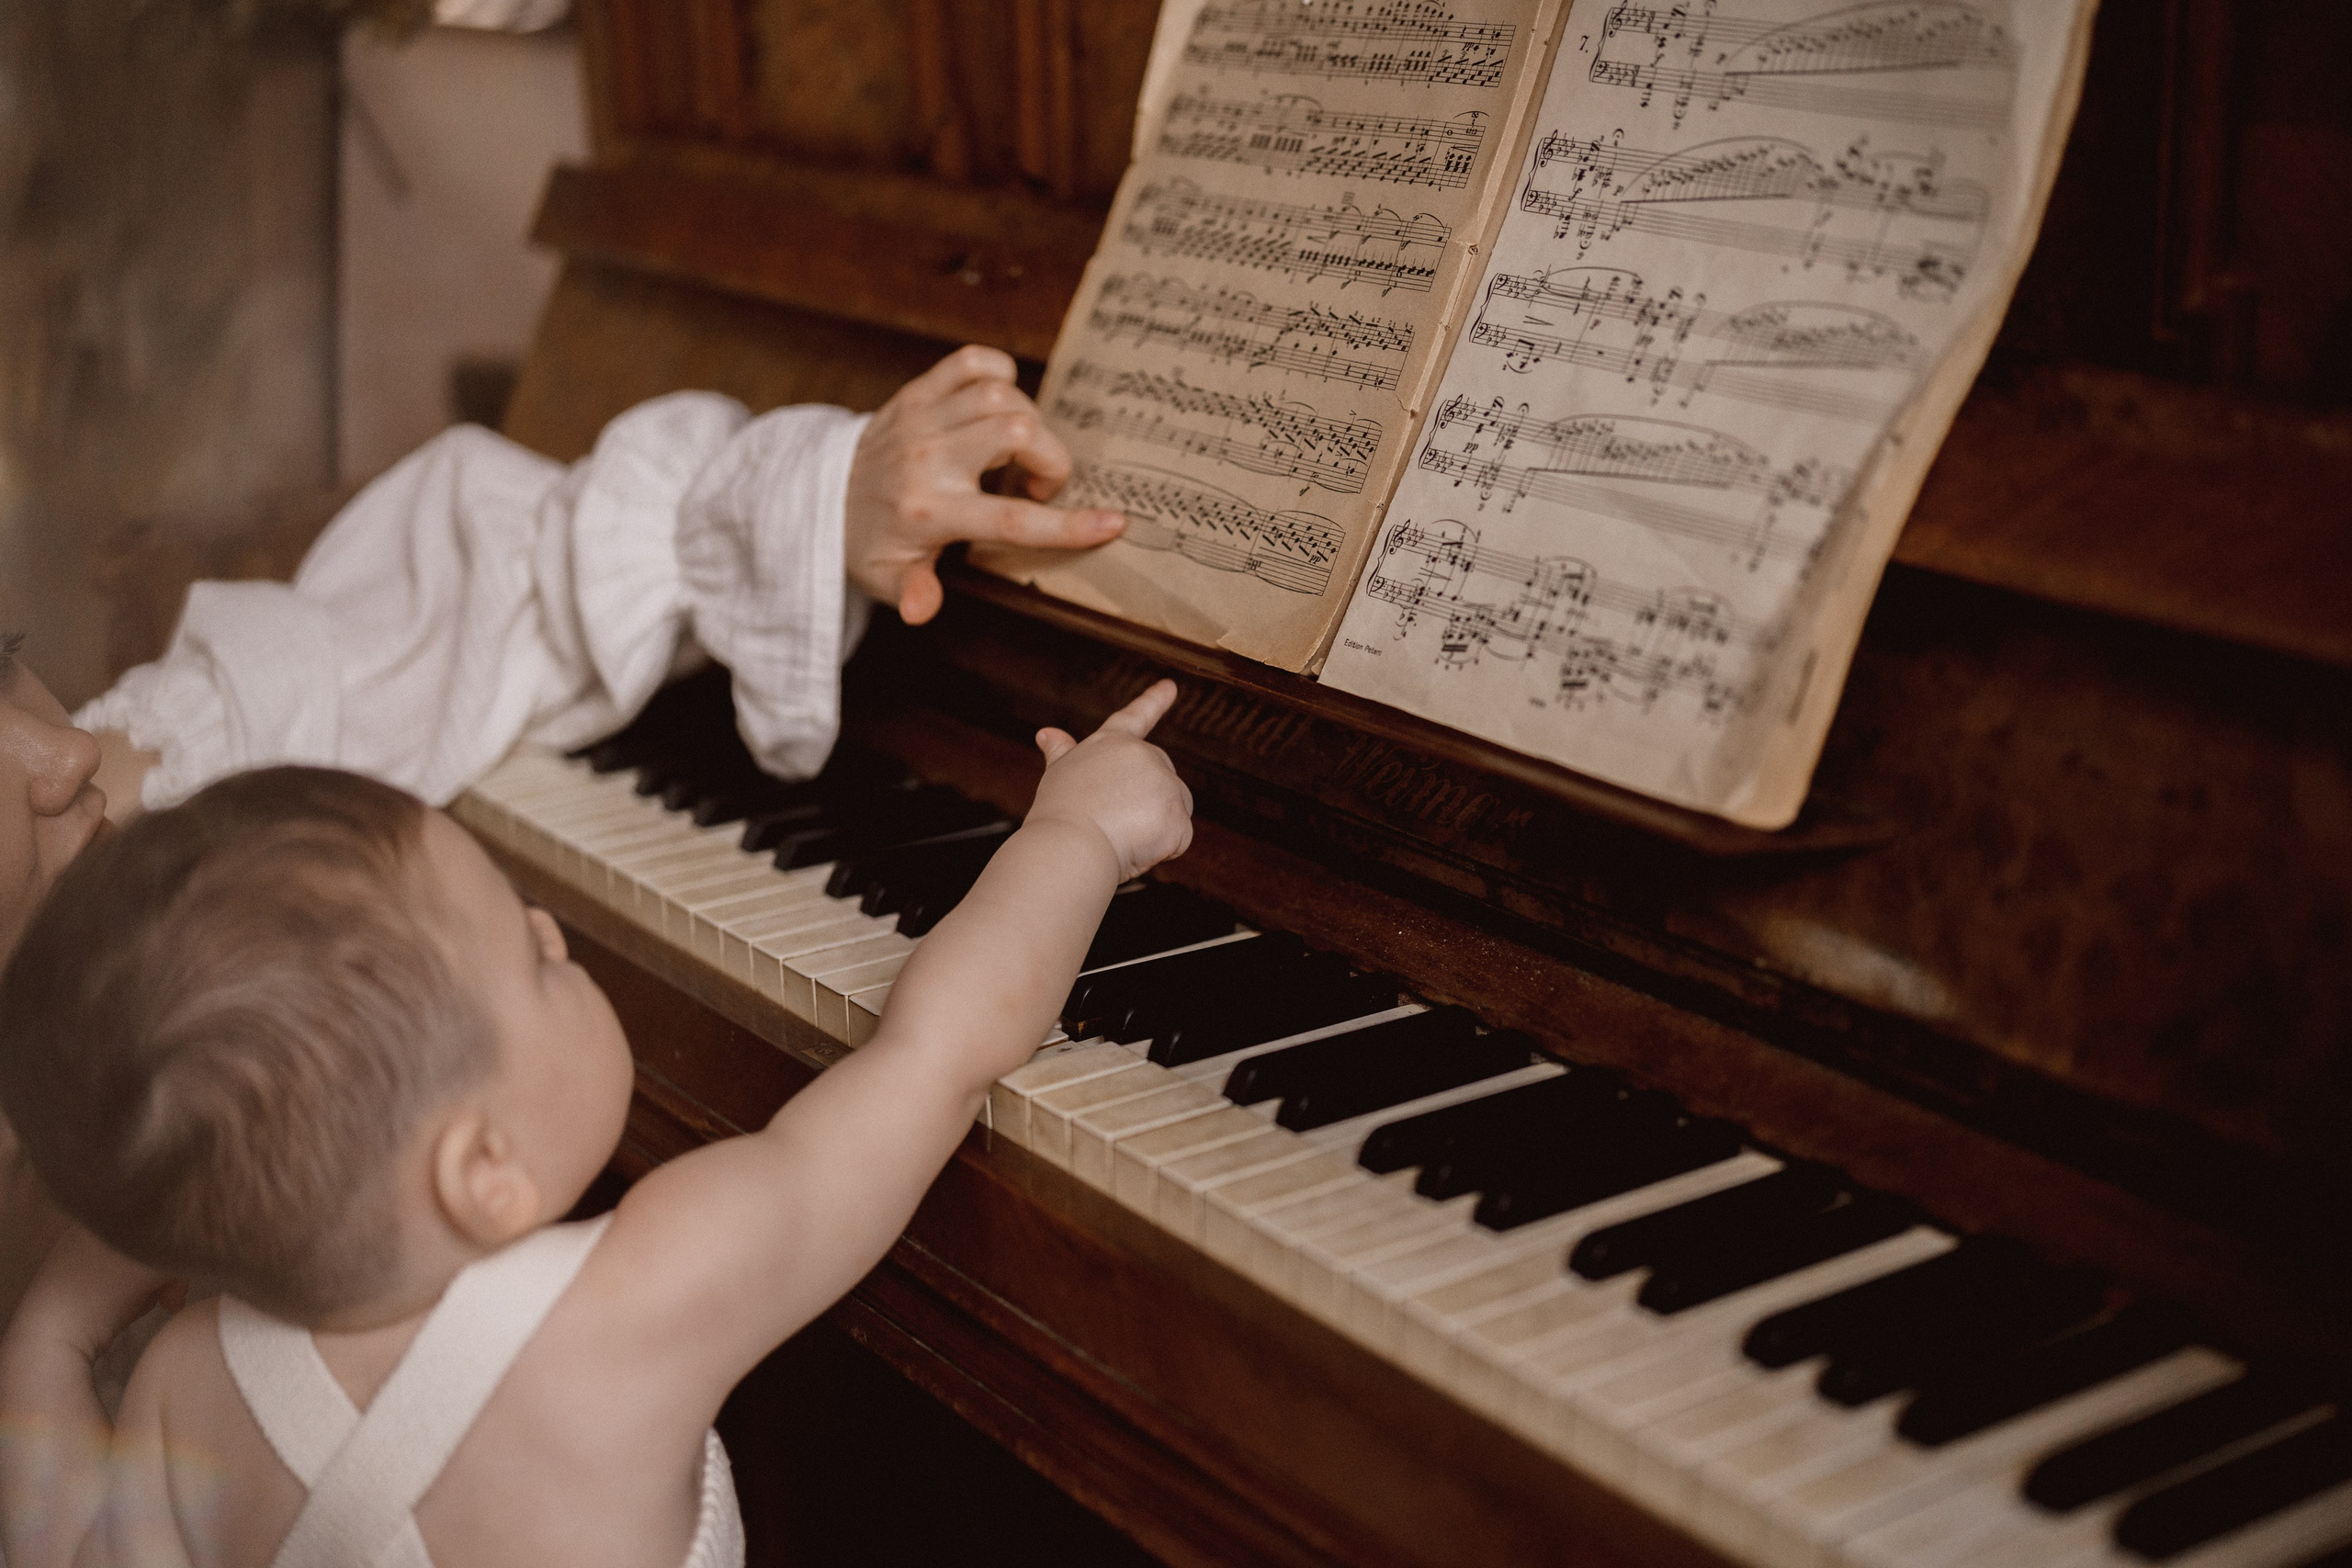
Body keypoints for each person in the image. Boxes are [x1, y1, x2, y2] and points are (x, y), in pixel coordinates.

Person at [0, 343, 1124, 1325]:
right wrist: (1076, 843)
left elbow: (496, 588)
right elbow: (913, 1077)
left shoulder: (198, 755)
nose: (64, 756)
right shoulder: (623, 1323)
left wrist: (814, 503)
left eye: (3, 664)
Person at [0, 681, 1192, 1566]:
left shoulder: (181, 1389)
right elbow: (935, 1054)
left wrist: (47, 1333)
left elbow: (60, 1545)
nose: (553, 930)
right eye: (532, 955)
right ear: (485, 1169)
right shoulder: (638, 1300)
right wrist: (1078, 836)